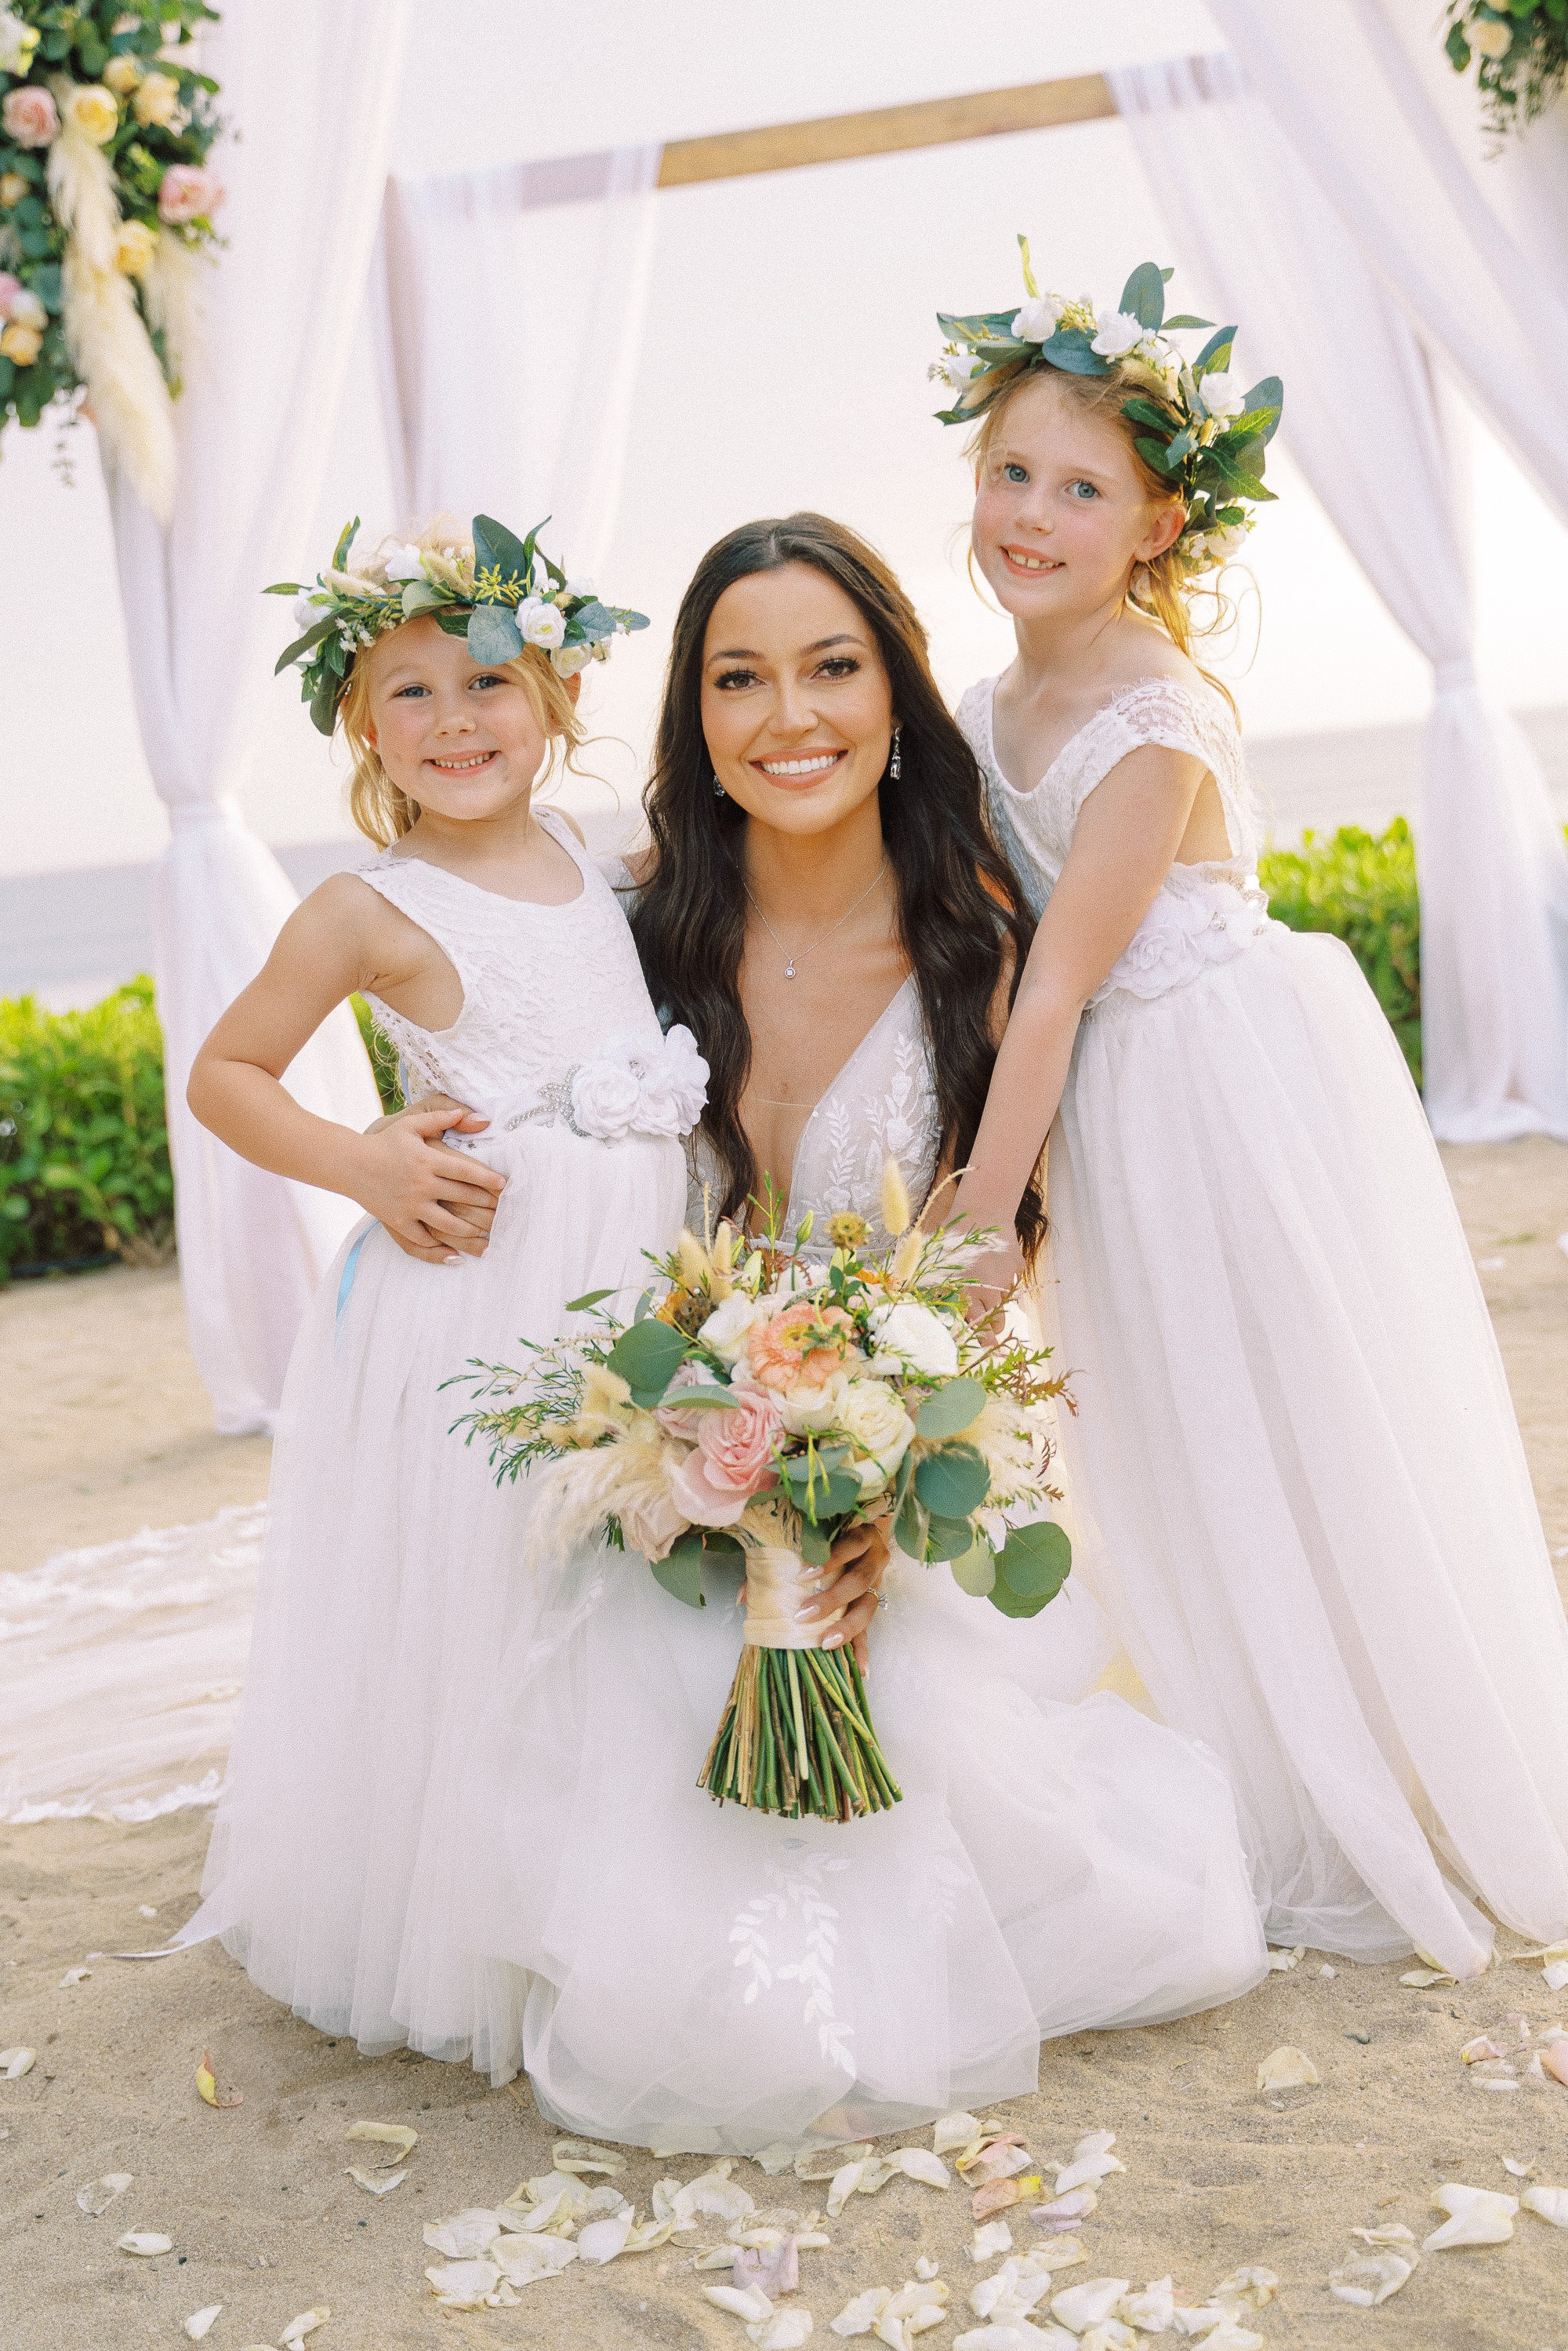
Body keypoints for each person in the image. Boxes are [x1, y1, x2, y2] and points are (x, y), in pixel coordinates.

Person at [408, 514, 1268, 2155]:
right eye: (738, 679)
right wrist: (387, 1142)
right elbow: (475, 1039)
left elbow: (981, 1284)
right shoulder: (629, 930)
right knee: (633, 1689)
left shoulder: (979, 943)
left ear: (894, 696)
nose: (788, 716)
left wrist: (862, 1493)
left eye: (830, 668)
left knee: (958, 1758)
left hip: (900, 1469)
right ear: (694, 717)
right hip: (671, 1458)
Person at [937, 249, 1568, 1975]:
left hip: (1215, 1084)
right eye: (1010, 471)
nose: (1033, 514)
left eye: (1082, 489)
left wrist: (981, 1221)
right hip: (1114, 1094)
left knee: (1279, 1410)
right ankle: (1246, 1732)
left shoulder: (1153, 711)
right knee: (1161, 1414)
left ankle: (1367, 1765)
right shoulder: (986, 706)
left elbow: (1056, 983)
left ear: (1158, 523)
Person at [174, 513, 711, 2056]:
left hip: (632, 1273)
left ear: (557, 695)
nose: (453, 720)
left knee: (638, 1564)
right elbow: (226, 1075)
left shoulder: (602, 862)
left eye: (487, 683)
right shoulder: (366, 908)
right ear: (360, 723)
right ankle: (493, 1899)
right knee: (503, 1581)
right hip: (484, 1289)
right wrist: (365, 1164)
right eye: (408, 692)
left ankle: (636, 1861)